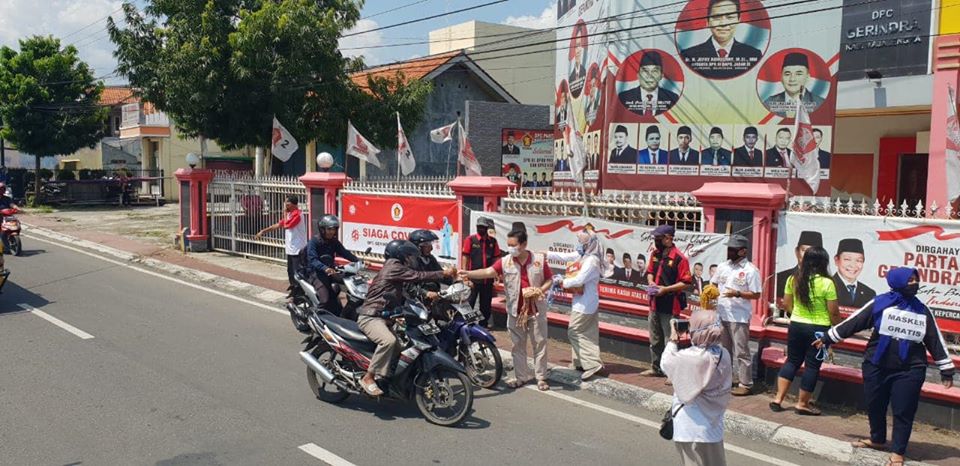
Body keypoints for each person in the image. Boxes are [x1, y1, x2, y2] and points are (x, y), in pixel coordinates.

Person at [814, 268, 955, 465]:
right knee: (875, 404)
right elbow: (855, 321)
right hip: (876, 365)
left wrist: (946, 369)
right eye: (910, 280)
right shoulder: (879, 303)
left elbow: (935, 340)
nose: (914, 284)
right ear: (897, 281)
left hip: (910, 369)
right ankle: (877, 439)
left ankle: (898, 451)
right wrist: (828, 337)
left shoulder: (922, 310)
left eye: (915, 280)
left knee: (903, 410)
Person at [356, 240, 457, 396]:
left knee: (400, 347)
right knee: (389, 341)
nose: (412, 259)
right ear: (401, 255)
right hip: (371, 316)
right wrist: (443, 273)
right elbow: (417, 276)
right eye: (410, 256)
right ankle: (368, 377)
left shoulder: (397, 268)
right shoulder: (393, 267)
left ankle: (387, 378)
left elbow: (408, 290)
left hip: (385, 316)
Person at [462, 229, 553, 390]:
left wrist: (540, 290)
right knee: (517, 345)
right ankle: (521, 377)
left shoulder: (538, 260)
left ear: (524, 244)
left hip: (536, 310)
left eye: (514, 245)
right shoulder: (506, 261)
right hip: (515, 312)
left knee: (540, 344)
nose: (511, 248)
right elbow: (489, 272)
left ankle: (541, 377)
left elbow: (549, 279)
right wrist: (468, 273)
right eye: (509, 245)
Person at [770, 246, 839, 414]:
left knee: (792, 361)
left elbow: (786, 304)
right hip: (819, 329)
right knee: (812, 366)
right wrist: (836, 329)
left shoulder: (793, 279)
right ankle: (802, 404)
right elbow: (833, 312)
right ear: (824, 262)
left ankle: (778, 399)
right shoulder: (827, 283)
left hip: (796, 325)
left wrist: (797, 315)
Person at [662, 308, 731, 466]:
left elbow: (666, 363)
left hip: (690, 428)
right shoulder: (724, 354)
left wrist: (673, 339)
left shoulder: (691, 357)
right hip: (713, 428)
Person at [546, 232, 604, 380]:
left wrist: (561, 282)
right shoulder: (583, 256)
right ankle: (580, 362)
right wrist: (544, 254)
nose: (579, 244)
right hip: (583, 301)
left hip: (585, 303)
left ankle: (591, 364)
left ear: (589, 244)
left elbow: (579, 280)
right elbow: (565, 257)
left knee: (574, 331)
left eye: (581, 242)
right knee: (587, 333)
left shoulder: (592, 261)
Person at [711, 234, 762, 396]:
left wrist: (738, 294)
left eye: (733, 250)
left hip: (739, 316)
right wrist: (709, 292)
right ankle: (725, 379)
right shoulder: (723, 266)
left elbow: (756, 294)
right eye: (729, 249)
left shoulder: (750, 271)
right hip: (722, 313)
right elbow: (713, 283)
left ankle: (746, 383)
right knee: (724, 350)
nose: (729, 252)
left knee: (741, 350)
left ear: (743, 251)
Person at [644, 225, 692, 378]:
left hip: (671, 304)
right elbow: (650, 272)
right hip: (654, 304)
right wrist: (651, 282)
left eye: (659, 238)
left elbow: (686, 282)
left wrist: (665, 289)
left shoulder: (679, 258)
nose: (656, 241)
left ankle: (672, 374)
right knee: (654, 339)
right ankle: (656, 367)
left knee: (670, 341)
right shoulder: (655, 254)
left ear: (668, 238)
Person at [681, 0, 763, 79]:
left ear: (739, 20)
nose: (723, 23)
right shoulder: (689, 55)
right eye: (716, 17)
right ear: (707, 21)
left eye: (730, 17)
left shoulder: (754, 55)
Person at [306, 215, 360, 316]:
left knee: (349, 286)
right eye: (329, 229)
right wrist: (325, 268)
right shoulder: (314, 242)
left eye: (334, 229)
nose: (332, 232)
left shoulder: (333, 241)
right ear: (322, 229)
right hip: (316, 273)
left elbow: (344, 253)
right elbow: (312, 259)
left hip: (331, 271)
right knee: (325, 299)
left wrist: (358, 260)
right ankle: (315, 317)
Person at [255, 195, 308, 298]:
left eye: (286, 202)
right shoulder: (289, 214)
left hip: (298, 248)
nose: (285, 205)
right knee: (290, 271)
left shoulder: (298, 214)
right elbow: (278, 225)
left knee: (298, 272)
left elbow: (287, 225)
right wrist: (263, 231)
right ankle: (294, 288)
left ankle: (300, 292)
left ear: (292, 204)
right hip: (290, 248)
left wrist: (284, 212)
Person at [462, 217, 501, 327]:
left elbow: (496, 258)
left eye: (483, 227)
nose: (480, 229)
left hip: (487, 279)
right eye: (479, 227)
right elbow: (465, 257)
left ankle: (483, 325)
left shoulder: (493, 242)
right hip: (473, 279)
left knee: (485, 305)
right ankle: (467, 325)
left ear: (487, 228)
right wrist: (465, 276)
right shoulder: (470, 240)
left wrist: (497, 273)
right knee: (470, 303)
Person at [763, 52, 825, 118]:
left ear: (807, 77)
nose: (792, 79)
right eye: (787, 74)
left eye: (798, 74)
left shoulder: (819, 103)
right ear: (781, 78)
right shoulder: (769, 102)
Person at [618, 51, 679, 116]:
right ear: (638, 75)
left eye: (654, 71)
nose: (650, 75)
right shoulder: (624, 97)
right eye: (645, 71)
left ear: (661, 76)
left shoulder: (673, 98)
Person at [776, 231, 822, 298]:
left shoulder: (827, 281)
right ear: (797, 252)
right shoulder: (781, 278)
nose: (808, 254)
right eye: (804, 250)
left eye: (813, 251)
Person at [833, 238, 876, 308]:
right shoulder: (826, 287)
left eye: (859, 260)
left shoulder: (869, 293)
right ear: (836, 260)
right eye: (847, 259)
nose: (853, 265)